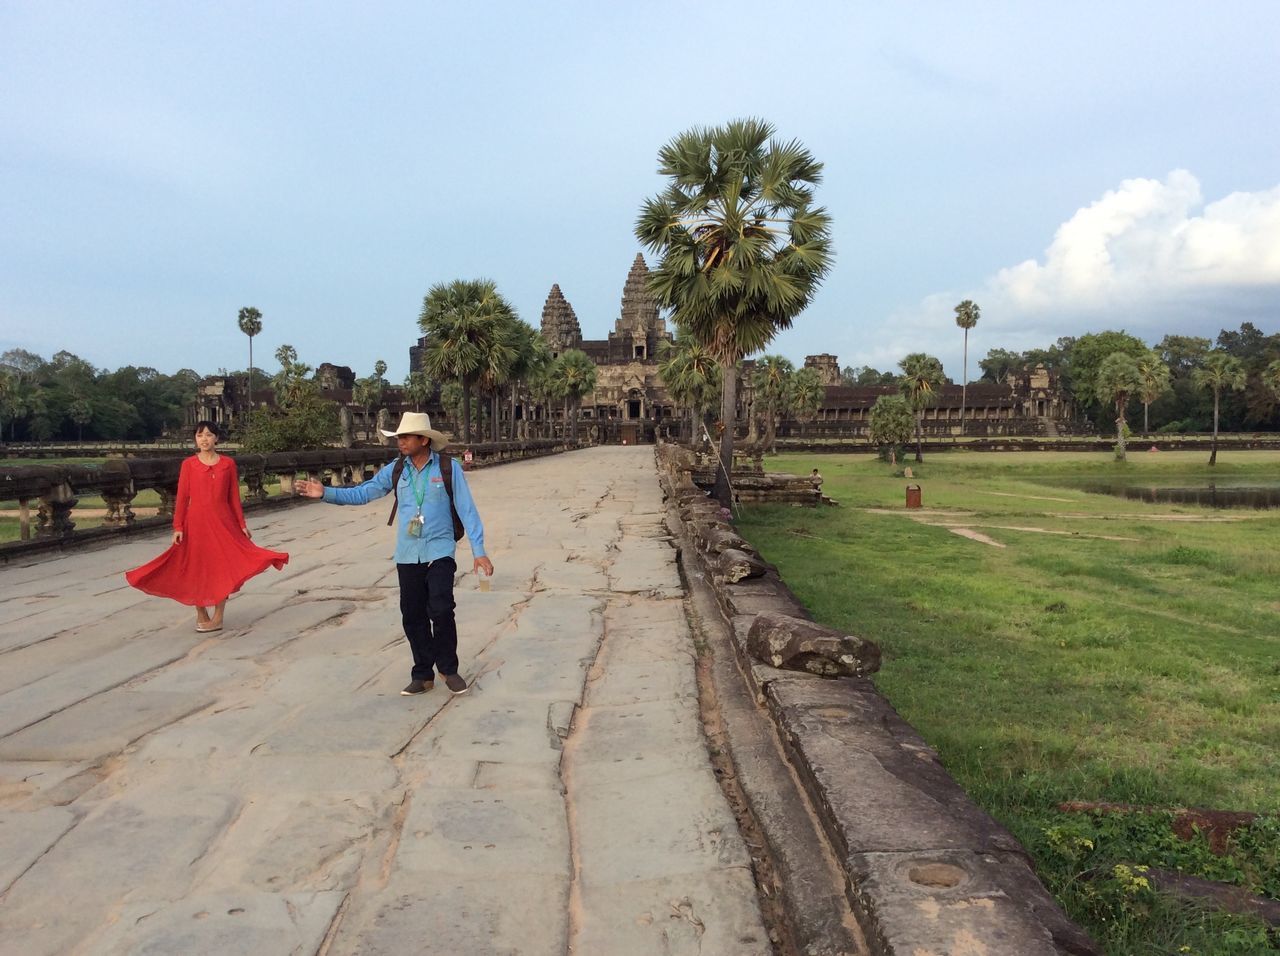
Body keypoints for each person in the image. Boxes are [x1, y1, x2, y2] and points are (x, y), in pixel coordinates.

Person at [292, 412, 493, 697]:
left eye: (406, 437)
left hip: (440, 550)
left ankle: (448, 669)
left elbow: (467, 509)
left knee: (442, 609)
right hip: (407, 553)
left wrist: (479, 551)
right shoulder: (396, 470)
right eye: (398, 437)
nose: (400, 442)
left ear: (424, 440)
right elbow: (364, 493)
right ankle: (422, 673)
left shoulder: (449, 468)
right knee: (412, 615)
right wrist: (326, 492)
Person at [125, 420, 289, 632]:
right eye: (200, 435)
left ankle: (218, 616)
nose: (204, 439)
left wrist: (241, 524)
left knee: (222, 568)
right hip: (196, 523)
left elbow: (233, 498)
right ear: (195, 439)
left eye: (209, 435)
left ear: (217, 439)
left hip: (223, 522)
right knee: (195, 568)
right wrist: (178, 527)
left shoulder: (227, 464)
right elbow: (183, 497)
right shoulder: (189, 465)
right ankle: (201, 612)